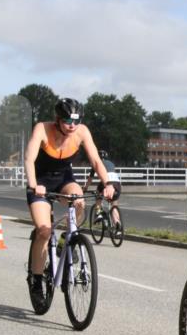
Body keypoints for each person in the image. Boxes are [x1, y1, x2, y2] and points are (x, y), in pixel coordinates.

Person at [23, 98, 115, 308]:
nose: (72, 125)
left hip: (64, 179)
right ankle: (36, 280)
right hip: (41, 182)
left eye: (76, 120)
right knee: (44, 231)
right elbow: (29, 159)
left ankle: (68, 238)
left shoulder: (81, 132)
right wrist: (34, 184)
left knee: (79, 199)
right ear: (57, 120)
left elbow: (95, 161)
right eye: (67, 121)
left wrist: (107, 183)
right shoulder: (42, 129)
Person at [85, 150, 122, 227]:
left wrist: (85, 188)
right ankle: (117, 223)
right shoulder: (111, 163)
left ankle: (98, 213)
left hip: (107, 182)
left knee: (98, 195)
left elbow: (90, 178)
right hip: (117, 183)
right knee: (114, 205)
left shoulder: (97, 163)